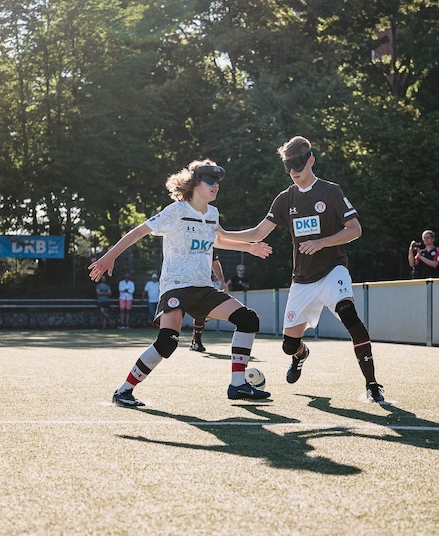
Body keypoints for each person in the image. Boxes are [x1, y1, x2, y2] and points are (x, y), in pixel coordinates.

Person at [88, 159, 273, 407]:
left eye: (218, 182)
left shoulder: (213, 214)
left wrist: (248, 248)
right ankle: (123, 391)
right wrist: (109, 256)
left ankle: (238, 384)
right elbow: (139, 231)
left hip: (203, 288)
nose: (216, 186)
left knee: (248, 319)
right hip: (176, 285)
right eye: (210, 181)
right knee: (167, 341)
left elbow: (216, 240)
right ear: (195, 183)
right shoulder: (175, 211)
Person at [239, 136, 385, 403]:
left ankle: (372, 384)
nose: (293, 171)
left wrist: (321, 243)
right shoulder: (285, 199)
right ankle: (301, 355)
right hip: (302, 280)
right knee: (288, 346)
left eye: (298, 164)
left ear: (311, 161)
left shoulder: (331, 192)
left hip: (333, 270)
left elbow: (355, 230)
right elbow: (259, 232)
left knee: (349, 314)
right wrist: (222, 233)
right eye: (288, 166)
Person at [189, 255, 226, 352]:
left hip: (204, 283)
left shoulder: (209, 241)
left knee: (203, 313)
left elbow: (215, 262)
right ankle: (196, 341)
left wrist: (222, 281)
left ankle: (196, 341)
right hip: (184, 282)